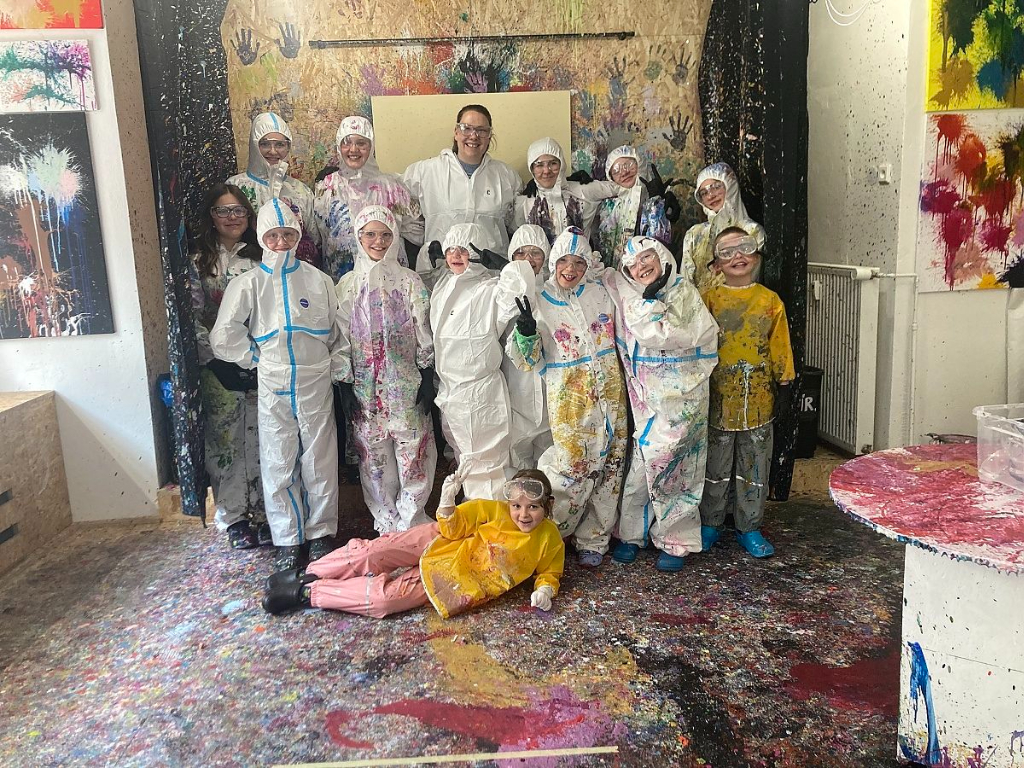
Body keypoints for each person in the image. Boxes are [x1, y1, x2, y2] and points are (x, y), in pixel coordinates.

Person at [210, 199, 344, 572]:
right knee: (278, 458)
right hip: (273, 380)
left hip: (315, 378)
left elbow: (338, 332)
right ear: (262, 238)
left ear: (298, 236)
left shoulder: (319, 281)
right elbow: (223, 335)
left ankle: (320, 533)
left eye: (288, 235)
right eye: (273, 235)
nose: (281, 243)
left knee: (320, 458)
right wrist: (254, 358)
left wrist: (336, 365)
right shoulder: (249, 283)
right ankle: (287, 538)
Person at [261, 468, 565, 619]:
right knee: (378, 551)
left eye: (533, 507)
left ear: (547, 506)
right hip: (442, 537)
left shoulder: (549, 538)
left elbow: (550, 572)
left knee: (386, 600)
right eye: (517, 506)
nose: (523, 514)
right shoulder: (493, 510)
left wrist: (545, 590)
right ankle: (310, 573)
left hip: (454, 576)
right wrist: (447, 502)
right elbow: (452, 526)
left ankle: (308, 593)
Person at [507, 228, 628, 567]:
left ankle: (594, 539)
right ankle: (551, 534)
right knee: (572, 468)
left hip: (611, 394)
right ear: (553, 263)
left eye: (578, 262)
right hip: (570, 399)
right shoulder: (541, 299)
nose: (570, 269)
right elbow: (527, 361)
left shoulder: (601, 294)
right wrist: (526, 332)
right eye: (563, 261)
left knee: (610, 467)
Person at [604, 236, 719, 572]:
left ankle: (676, 540)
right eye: (633, 265)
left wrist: (653, 309)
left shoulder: (683, 291)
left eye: (646, 257)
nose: (641, 267)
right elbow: (639, 333)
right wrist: (647, 304)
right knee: (644, 463)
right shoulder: (629, 296)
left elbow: (687, 334)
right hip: (647, 397)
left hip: (686, 397)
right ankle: (631, 533)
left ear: (662, 256)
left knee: (679, 467)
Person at [335, 206, 436, 535]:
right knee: (374, 459)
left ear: (395, 237)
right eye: (370, 234)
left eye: (385, 234)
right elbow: (340, 338)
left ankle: (413, 521)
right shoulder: (348, 285)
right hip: (365, 392)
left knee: (415, 453)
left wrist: (426, 374)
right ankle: (387, 525)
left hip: (406, 386)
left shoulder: (409, 281)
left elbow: (424, 330)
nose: (378, 241)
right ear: (358, 237)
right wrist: (344, 383)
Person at [699, 227, 795, 558]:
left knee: (755, 466)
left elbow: (780, 346)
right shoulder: (708, 300)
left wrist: (785, 386)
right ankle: (709, 523)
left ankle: (749, 527)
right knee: (715, 464)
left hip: (759, 400)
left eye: (745, 248)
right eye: (727, 252)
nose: (737, 256)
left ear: (756, 255)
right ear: (716, 265)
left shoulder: (770, 301)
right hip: (717, 399)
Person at [188, 183, 268, 550]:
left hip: (261, 364)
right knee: (226, 440)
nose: (232, 217)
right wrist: (216, 358)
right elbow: (191, 317)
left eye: (238, 210)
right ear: (212, 216)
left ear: (249, 216)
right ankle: (234, 517)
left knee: (265, 437)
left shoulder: (263, 258)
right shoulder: (198, 262)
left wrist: (259, 357)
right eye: (223, 210)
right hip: (218, 369)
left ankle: (266, 513)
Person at [430, 223, 533, 499]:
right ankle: (474, 510)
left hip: (479, 392)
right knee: (465, 459)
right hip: (450, 390)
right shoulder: (444, 285)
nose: (456, 255)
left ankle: (489, 517)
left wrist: (506, 267)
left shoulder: (490, 288)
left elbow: (520, 296)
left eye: (465, 250)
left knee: (487, 467)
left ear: (478, 254)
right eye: (451, 249)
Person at [403, 104, 521, 275]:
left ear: (489, 136)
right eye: (467, 128)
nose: (474, 136)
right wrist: (428, 242)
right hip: (441, 274)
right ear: (456, 132)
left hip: (490, 276)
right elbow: (401, 207)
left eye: (481, 130)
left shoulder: (506, 176)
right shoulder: (425, 172)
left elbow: (515, 224)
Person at [313, 116, 423, 280]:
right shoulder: (327, 187)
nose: (353, 149)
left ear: (371, 147)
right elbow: (319, 233)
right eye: (346, 143)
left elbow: (417, 231)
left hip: (389, 280)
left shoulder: (392, 187)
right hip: (341, 279)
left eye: (361, 143)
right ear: (339, 147)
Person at [227, 111, 320, 268]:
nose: (273, 151)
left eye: (280, 145)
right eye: (265, 144)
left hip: (293, 272)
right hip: (247, 272)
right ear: (254, 145)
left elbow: (313, 239)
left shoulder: (300, 191)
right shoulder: (235, 187)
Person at [501, 225, 553, 470]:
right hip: (516, 390)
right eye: (521, 253)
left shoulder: (553, 293)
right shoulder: (502, 295)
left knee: (550, 459)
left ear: (547, 257)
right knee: (518, 457)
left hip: (550, 389)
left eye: (536, 253)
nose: (528, 259)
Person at [512, 137, 617, 244]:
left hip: (582, 253)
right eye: (539, 165)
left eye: (553, 163)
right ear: (532, 169)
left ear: (561, 164)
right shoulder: (525, 204)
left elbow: (619, 187)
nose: (546, 171)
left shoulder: (583, 191)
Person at [592, 145, 680, 269]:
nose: (624, 173)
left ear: (640, 163)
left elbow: (661, 244)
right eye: (616, 171)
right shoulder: (607, 207)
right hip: (615, 275)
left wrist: (657, 202)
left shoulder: (661, 196)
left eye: (628, 165)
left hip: (651, 270)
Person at [683, 162, 766, 294]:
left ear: (731, 185)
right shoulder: (694, 234)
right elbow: (686, 283)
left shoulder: (753, 232)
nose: (711, 195)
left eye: (716, 187)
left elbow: (751, 279)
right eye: (704, 193)